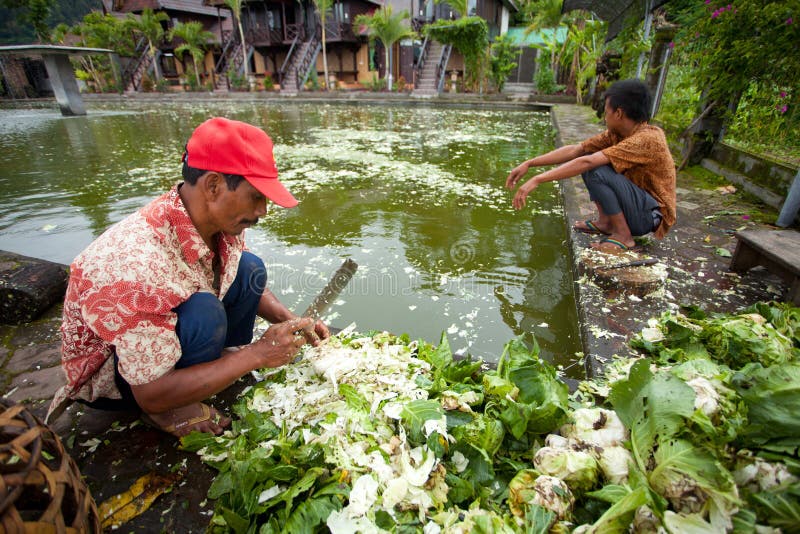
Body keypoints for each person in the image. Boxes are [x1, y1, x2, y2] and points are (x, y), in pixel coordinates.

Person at [47, 117, 329, 437]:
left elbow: (235, 270)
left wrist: (291, 319)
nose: (263, 210)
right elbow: (150, 391)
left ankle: (218, 365)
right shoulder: (134, 266)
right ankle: (170, 409)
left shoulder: (217, 218)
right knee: (204, 312)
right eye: (256, 196)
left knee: (250, 268)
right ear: (212, 186)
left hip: (167, 333)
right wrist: (258, 354)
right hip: (123, 381)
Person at [506, 79, 676, 252]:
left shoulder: (647, 139)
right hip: (636, 206)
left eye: (606, 111)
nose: (604, 116)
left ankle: (623, 236)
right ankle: (606, 223)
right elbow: (576, 150)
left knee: (594, 166)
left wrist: (538, 179)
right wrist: (529, 163)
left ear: (618, 113)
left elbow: (588, 163)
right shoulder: (617, 134)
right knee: (587, 155)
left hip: (649, 216)